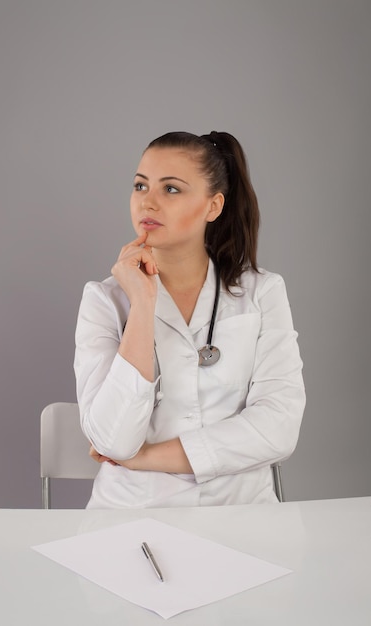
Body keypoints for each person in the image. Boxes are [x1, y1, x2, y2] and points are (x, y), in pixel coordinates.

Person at [74, 130, 305, 509]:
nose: (148, 202)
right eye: (140, 186)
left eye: (172, 189)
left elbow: (278, 429)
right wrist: (144, 303)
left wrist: (143, 458)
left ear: (213, 207)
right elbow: (112, 440)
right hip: (132, 519)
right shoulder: (104, 300)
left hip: (243, 515)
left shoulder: (261, 292)